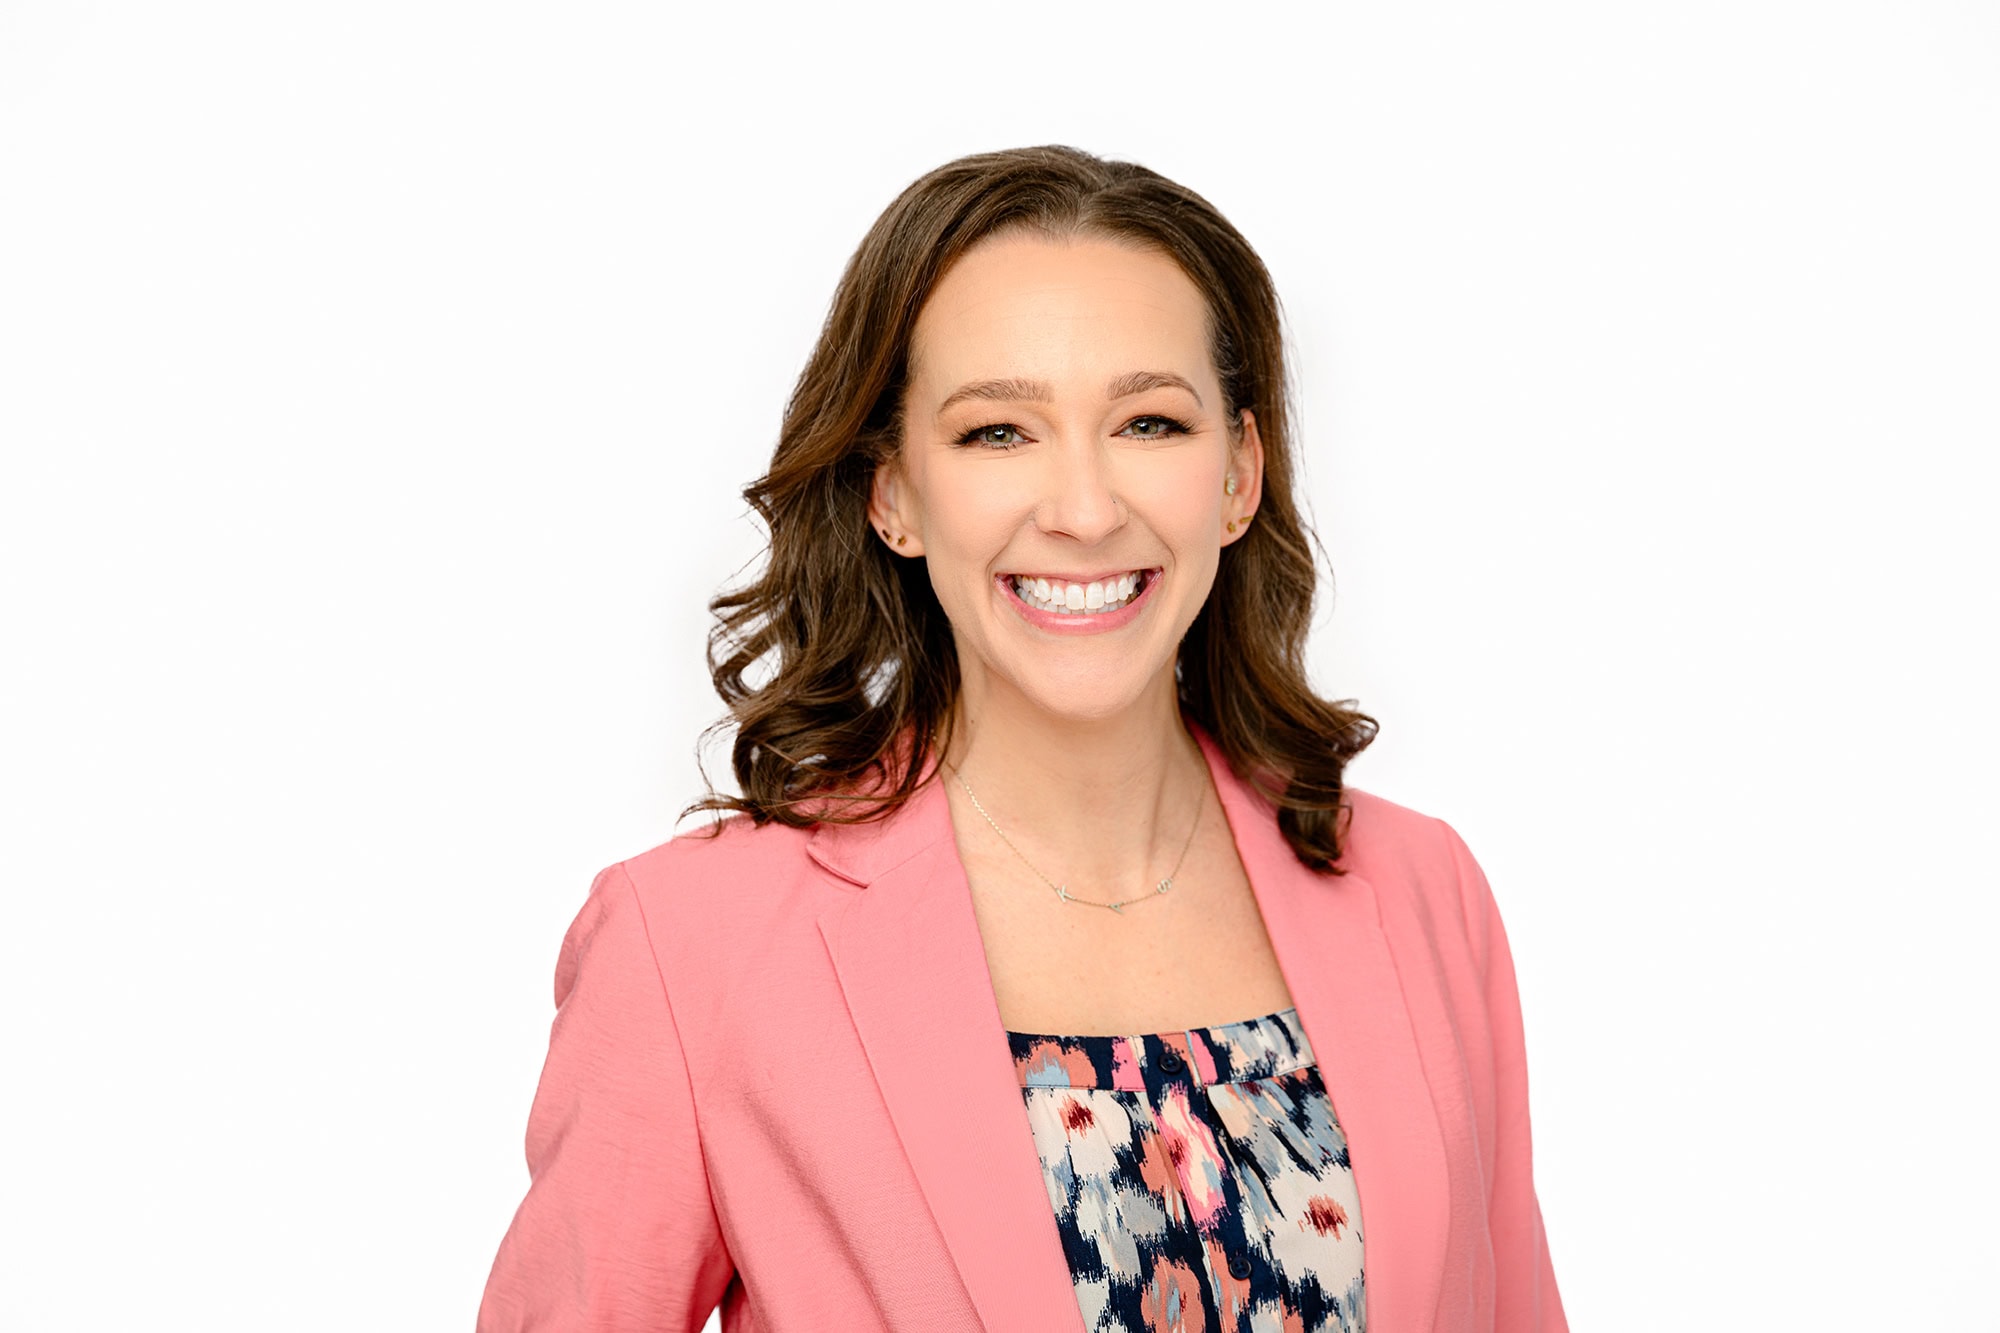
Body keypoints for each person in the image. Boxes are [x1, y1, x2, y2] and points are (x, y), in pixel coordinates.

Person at [476, 144, 1566, 1332]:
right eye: (997, 433)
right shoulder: (690, 948)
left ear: (1239, 474)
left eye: (1148, 421)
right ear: (892, 490)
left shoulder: (1423, 892)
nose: (1085, 509)